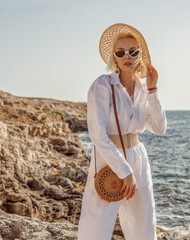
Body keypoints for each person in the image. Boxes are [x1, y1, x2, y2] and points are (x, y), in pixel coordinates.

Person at [77, 23, 167, 240]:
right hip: (109, 158)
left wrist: (153, 89)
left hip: (138, 155)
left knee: (143, 223)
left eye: (133, 51)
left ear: (140, 55)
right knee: (96, 225)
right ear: (114, 57)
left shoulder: (144, 90)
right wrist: (124, 171)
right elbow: (97, 134)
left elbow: (159, 128)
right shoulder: (102, 85)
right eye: (120, 52)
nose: (127, 56)